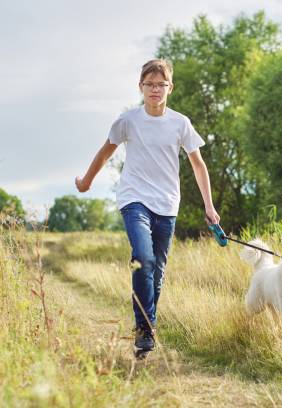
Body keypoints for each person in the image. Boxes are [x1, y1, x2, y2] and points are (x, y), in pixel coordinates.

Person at [75, 59, 220, 355]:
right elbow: (105, 152)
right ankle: (145, 328)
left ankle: (145, 323)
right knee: (143, 257)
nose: (155, 89)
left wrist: (209, 206)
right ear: (140, 86)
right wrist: (87, 181)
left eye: (161, 84)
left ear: (170, 87)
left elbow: (198, 165)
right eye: (149, 84)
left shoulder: (180, 123)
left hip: (167, 204)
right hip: (134, 198)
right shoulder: (128, 120)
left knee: (158, 268)